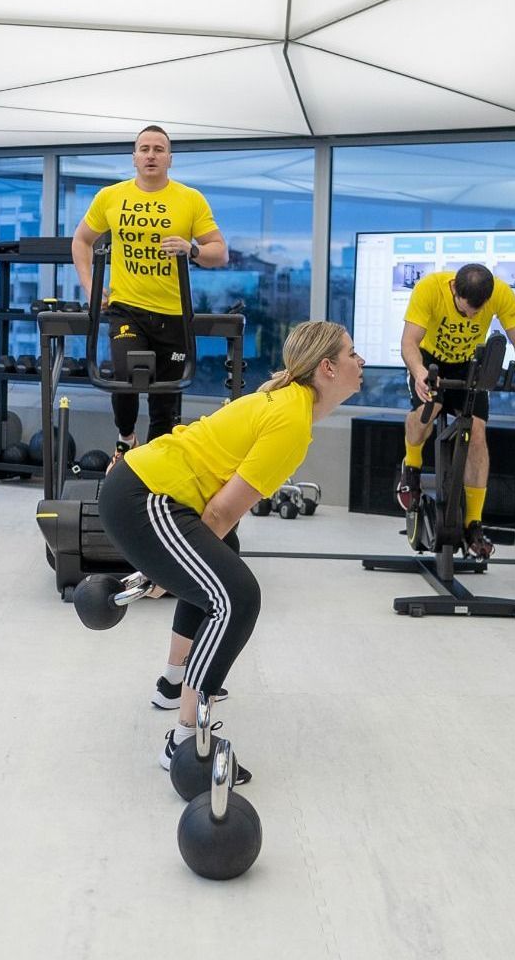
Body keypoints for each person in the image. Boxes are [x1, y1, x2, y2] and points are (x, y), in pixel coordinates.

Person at [96, 321, 365, 773]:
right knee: (236, 598)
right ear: (327, 369)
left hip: (146, 488)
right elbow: (219, 512)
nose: (360, 362)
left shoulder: (287, 404)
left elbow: (225, 520)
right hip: (146, 497)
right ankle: (184, 740)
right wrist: (167, 570)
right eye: (352, 354)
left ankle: (173, 681)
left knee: (223, 560)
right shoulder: (291, 421)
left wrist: (176, 570)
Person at [72, 124, 227, 464]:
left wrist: (193, 250)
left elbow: (220, 251)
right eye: (145, 149)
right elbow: (81, 240)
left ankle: (152, 466)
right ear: (134, 157)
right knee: (125, 376)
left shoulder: (190, 199)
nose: (151, 155)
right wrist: (91, 288)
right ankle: (126, 438)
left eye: (159, 149)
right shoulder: (111, 197)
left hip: (173, 314)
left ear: (170, 159)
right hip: (127, 308)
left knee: (164, 402)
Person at [395, 263, 515, 557]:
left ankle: (473, 523)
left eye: (479, 311)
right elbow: (409, 342)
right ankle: (411, 466)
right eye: (466, 311)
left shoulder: (499, 292)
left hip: (470, 366)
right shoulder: (430, 289)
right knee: (429, 410)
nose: (473, 316)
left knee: (477, 432)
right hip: (430, 360)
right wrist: (419, 371)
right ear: (454, 290)